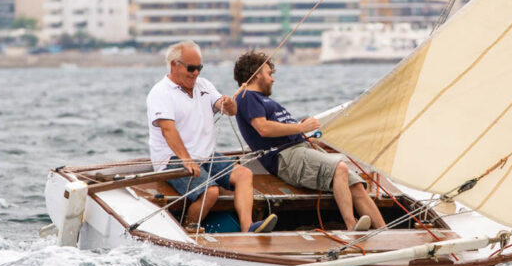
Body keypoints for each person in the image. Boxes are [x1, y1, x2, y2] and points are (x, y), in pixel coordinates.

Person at [232, 50, 386, 232]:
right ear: (257, 75)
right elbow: (263, 129)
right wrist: (301, 128)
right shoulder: (247, 97)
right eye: (269, 74)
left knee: (356, 185)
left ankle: (384, 232)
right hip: (286, 156)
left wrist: (302, 131)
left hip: (301, 148)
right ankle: (352, 226)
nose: (272, 79)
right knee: (340, 168)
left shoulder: (264, 100)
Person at [146, 40, 276, 233]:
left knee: (244, 174)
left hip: (206, 156)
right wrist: (186, 159)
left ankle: (248, 228)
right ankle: (189, 230)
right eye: (191, 68)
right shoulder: (160, 93)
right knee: (210, 192)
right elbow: (168, 130)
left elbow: (227, 109)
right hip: (173, 160)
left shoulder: (204, 85)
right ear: (174, 65)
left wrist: (229, 105)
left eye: (199, 68)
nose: (196, 73)